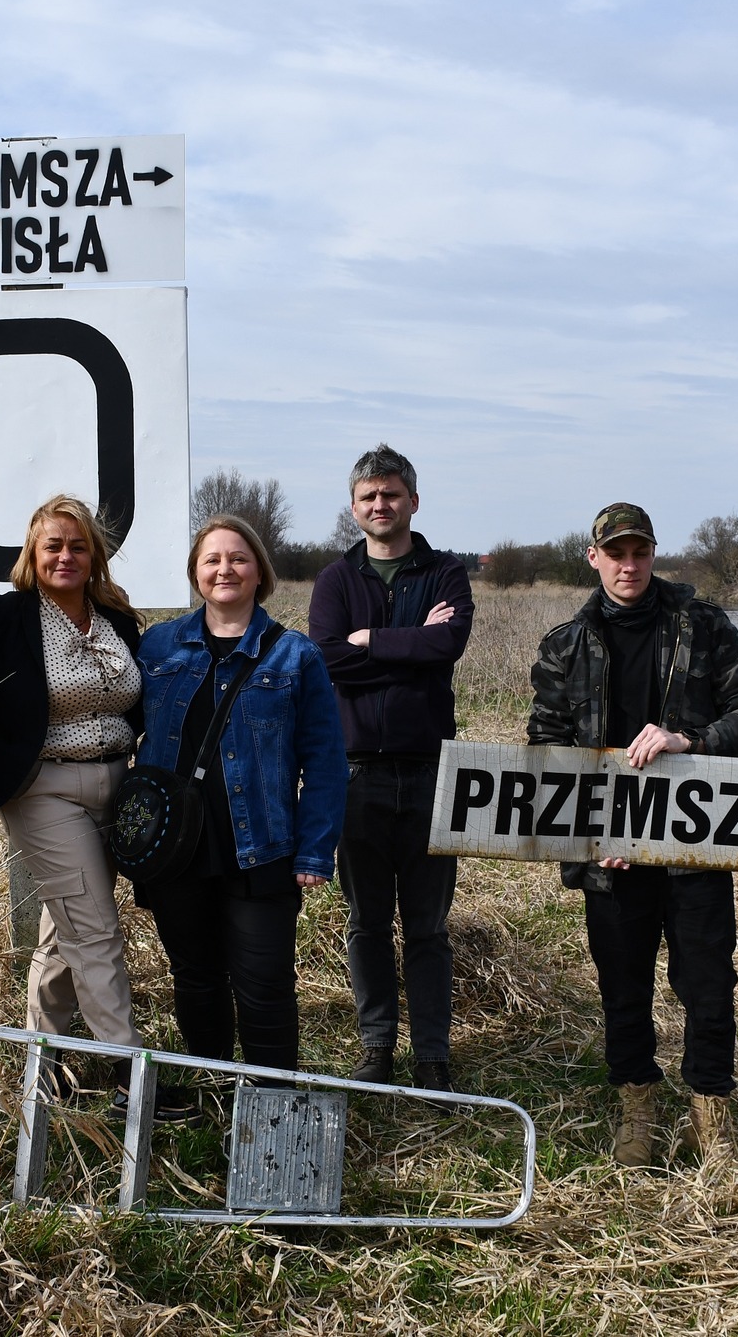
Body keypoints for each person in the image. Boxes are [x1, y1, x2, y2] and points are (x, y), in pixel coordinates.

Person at [527, 502, 738, 1169]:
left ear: (653, 553)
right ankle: (638, 1103)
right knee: (623, 985)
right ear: (594, 557)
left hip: (695, 850)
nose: (628, 564)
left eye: (639, 551)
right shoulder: (564, 644)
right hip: (611, 856)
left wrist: (690, 739)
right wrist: (586, 831)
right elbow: (545, 748)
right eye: (616, 552)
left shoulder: (703, 625)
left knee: (709, 984)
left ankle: (709, 1112)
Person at [132, 514, 347, 1084]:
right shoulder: (157, 646)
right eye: (212, 560)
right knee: (195, 977)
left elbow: (325, 761)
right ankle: (213, 1089)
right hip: (175, 851)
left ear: (259, 573)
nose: (224, 569)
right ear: (196, 574)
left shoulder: (294, 656)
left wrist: (314, 850)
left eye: (238, 558)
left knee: (265, 984)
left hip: (262, 849)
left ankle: (274, 1101)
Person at [308, 444, 474, 1093]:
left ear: (412, 499)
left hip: (433, 771)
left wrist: (370, 640)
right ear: (355, 507)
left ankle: (433, 1053)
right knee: (367, 921)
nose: (381, 504)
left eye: (392, 494)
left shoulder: (445, 571)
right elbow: (324, 659)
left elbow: (449, 644)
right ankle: (377, 1044)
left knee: (429, 927)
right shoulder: (334, 580)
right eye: (369, 496)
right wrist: (413, 649)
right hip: (356, 774)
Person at [0, 495, 145, 1081]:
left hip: (118, 786)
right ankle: (130, 1076)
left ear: (95, 554)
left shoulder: (117, 620)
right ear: (32, 552)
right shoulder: (7, 619)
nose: (66, 556)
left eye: (78, 546)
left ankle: (42, 1066)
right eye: (54, 545)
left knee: (66, 929)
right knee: (97, 931)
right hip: (45, 788)